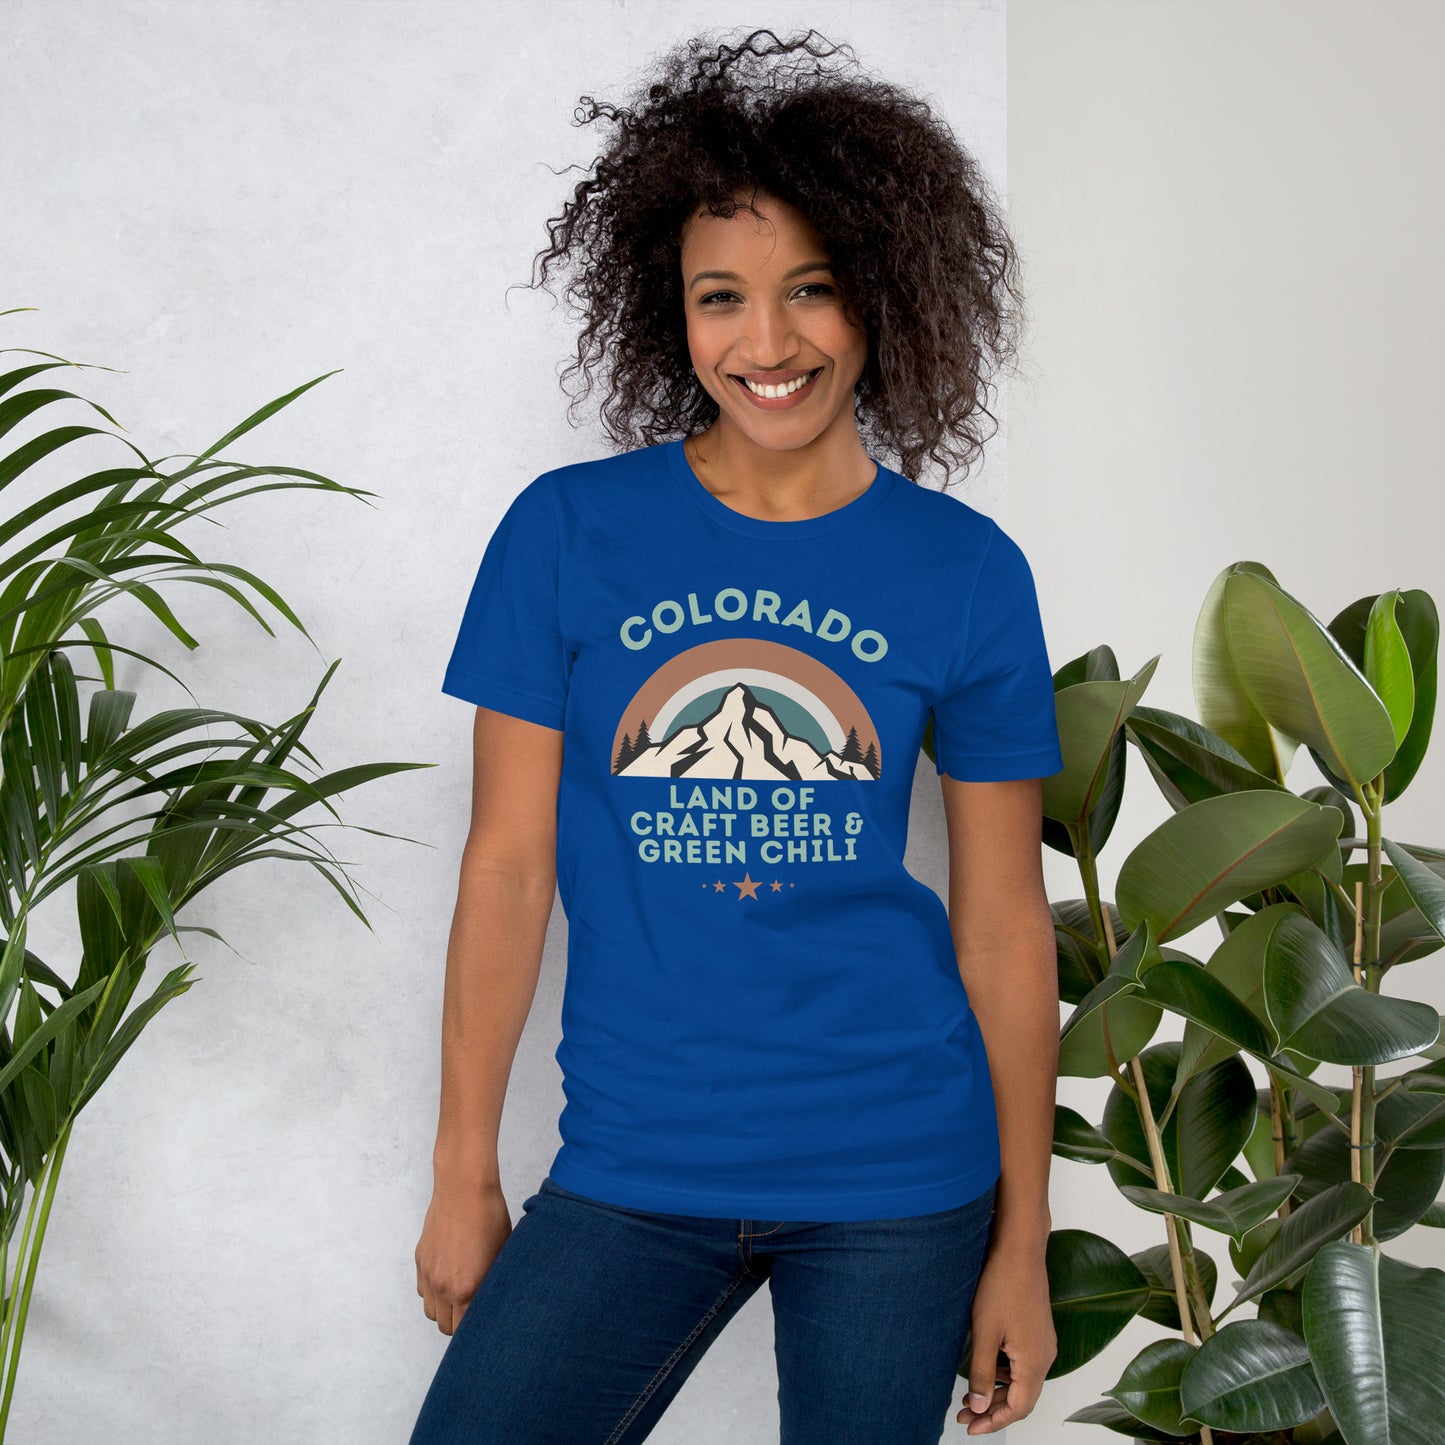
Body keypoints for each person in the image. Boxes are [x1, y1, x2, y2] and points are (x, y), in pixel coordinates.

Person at [411, 27, 1062, 1445]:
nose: (764, 344)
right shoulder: (568, 535)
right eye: (722, 298)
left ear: (885, 298)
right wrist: (465, 1163)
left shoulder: (963, 570)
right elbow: (508, 867)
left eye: (811, 291)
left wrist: (1021, 1239)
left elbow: (1005, 927)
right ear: (673, 310)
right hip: (641, 1160)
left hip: (901, 1172)